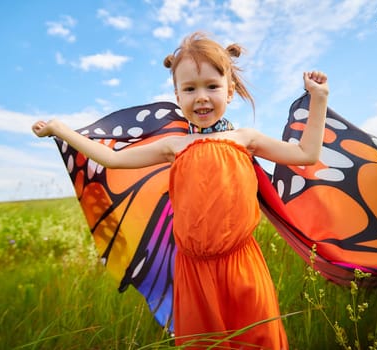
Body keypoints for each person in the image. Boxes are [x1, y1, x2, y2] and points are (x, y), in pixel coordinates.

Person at [32, 32, 328, 349]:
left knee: (257, 341)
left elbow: (306, 154)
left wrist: (319, 99)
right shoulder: (175, 146)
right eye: (189, 89)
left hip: (241, 266)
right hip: (192, 272)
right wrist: (60, 130)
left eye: (211, 86)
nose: (201, 97)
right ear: (177, 96)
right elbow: (113, 159)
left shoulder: (245, 139)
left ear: (230, 91)